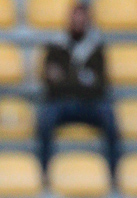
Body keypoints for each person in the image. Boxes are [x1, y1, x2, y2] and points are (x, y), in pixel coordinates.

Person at [38, 1, 119, 179]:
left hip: (89, 104)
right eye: (75, 18)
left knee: (110, 119)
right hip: (62, 103)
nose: (78, 22)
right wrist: (82, 80)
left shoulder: (96, 49)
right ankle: (44, 172)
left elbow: (101, 86)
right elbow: (50, 83)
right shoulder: (56, 46)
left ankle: (114, 173)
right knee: (44, 120)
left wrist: (66, 78)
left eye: (82, 19)